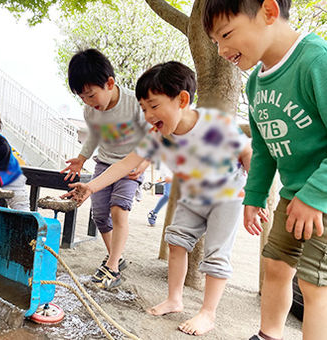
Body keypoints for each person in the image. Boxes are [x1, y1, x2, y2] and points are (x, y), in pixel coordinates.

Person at [63, 61, 252, 336]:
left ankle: (207, 313)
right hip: (192, 192)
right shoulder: (158, 135)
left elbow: (246, 153)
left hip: (227, 194)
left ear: (182, 100)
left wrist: (255, 198)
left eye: (154, 106)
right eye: (143, 109)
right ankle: (175, 299)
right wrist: (92, 187)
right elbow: (126, 163)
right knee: (176, 241)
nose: (148, 115)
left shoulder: (214, 124)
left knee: (216, 253)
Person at [204, 1, 327, 339]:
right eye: (216, 41)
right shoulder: (255, 84)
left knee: (314, 283)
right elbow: (264, 148)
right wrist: (254, 196)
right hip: (293, 196)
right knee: (275, 266)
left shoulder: (316, 60)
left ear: (269, 12)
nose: (222, 49)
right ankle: (268, 334)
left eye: (226, 34)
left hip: (323, 197)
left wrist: (316, 196)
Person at [61, 49, 151, 290]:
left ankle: (111, 267)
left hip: (131, 166)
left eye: (91, 95)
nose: (90, 103)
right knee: (100, 215)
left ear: (110, 83)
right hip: (105, 164)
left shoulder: (134, 104)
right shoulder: (91, 111)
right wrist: (81, 159)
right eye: (83, 98)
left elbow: (152, 138)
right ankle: (116, 258)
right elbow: (94, 136)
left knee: (119, 209)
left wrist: (144, 163)